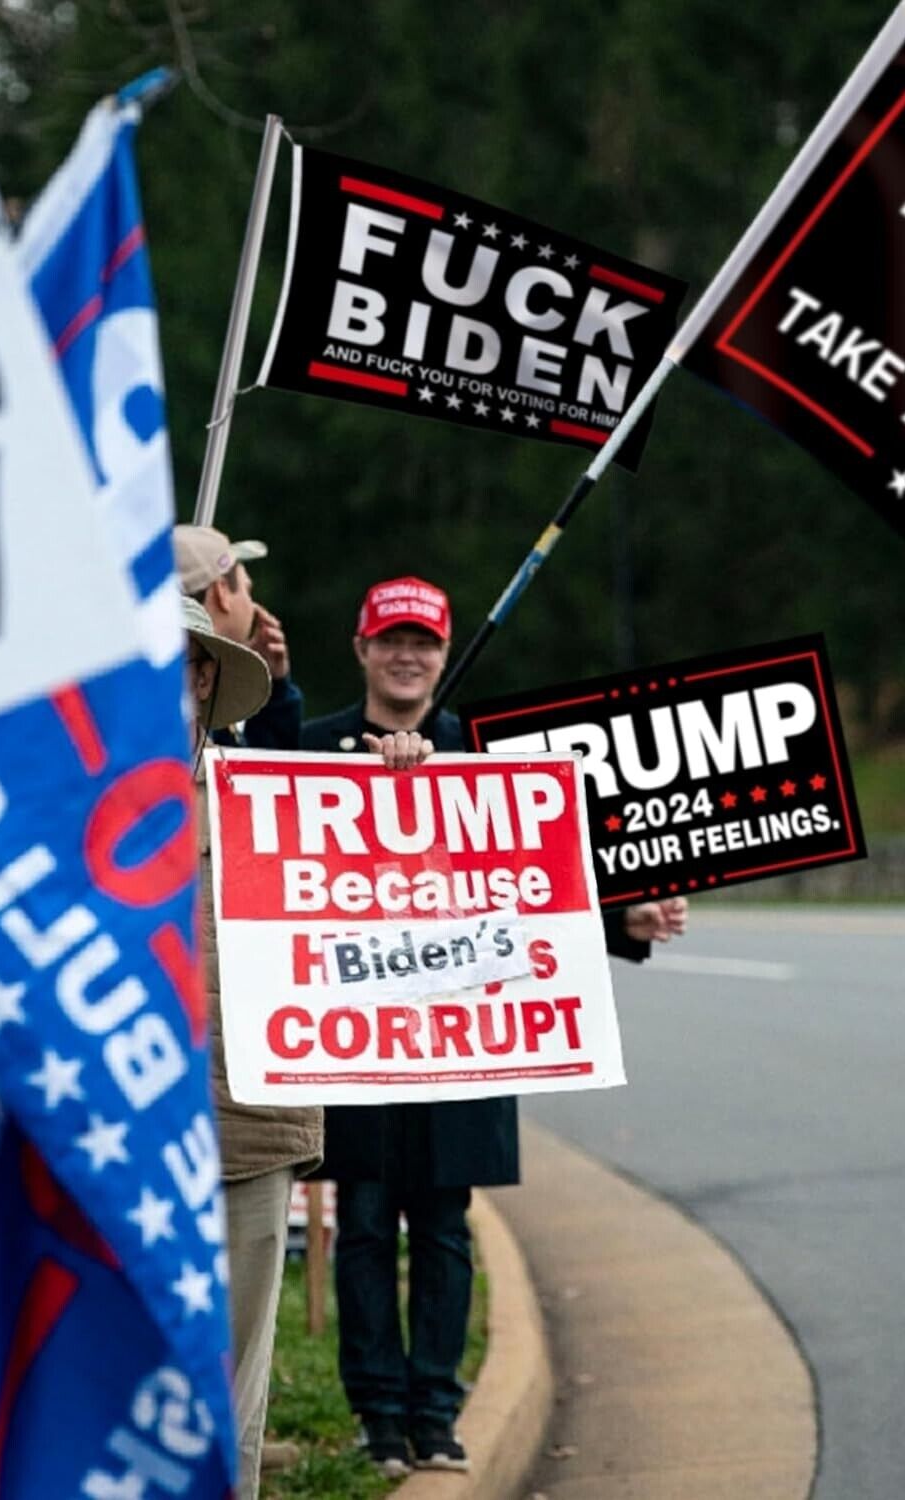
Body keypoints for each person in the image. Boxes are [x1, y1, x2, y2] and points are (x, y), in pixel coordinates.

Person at [300, 576, 688, 1476]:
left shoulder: (491, 755)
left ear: (442, 654)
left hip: (466, 1040)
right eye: (390, 640)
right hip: (352, 1039)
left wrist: (621, 924)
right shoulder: (307, 751)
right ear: (361, 648)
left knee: (441, 1223)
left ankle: (435, 1414)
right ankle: (376, 1416)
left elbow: (535, 896)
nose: (407, 656)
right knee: (361, 1221)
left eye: (424, 643)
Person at [183, 593, 432, 1498]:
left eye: (189, 665)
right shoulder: (68, 800)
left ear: (209, 682)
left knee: (237, 1382)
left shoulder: (278, 796)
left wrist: (407, 791)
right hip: (115, 1134)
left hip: (250, 1121)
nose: (168, 682)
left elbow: (406, 892)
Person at [175, 524, 302, 749]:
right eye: (248, 590)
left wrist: (276, 693)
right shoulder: (193, 702)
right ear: (222, 591)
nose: (253, 606)